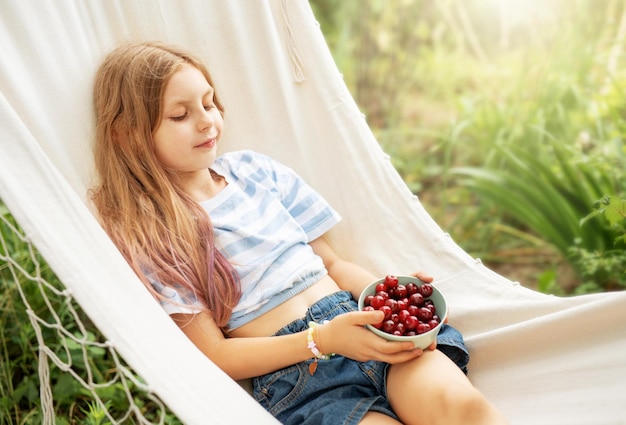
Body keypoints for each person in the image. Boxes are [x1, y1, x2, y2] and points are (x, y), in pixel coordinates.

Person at [91, 41, 507, 425]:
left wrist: (394, 298)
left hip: (364, 328)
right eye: (180, 115)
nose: (207, 121)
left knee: (463, 408)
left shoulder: (256, 171)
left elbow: (332, 263)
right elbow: (216, 354)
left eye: (210, 102)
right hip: (301, 376)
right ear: (128, 135)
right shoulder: (151, 231)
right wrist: (322, 340)